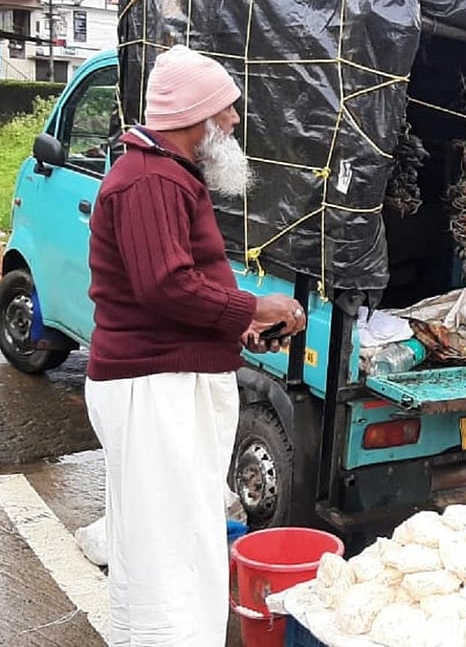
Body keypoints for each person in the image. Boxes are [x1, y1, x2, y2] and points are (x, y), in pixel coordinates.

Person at [85, 45, 306, 645]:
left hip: (160, 384)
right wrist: (251, 307)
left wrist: (232, 323)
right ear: (196, 114)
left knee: (161, 545)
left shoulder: (162, 175)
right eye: (227, 110)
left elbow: (173, 285)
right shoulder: (150, 179)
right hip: (153, 388)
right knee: (174, 551)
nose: (235, 121)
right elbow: (166, 286)